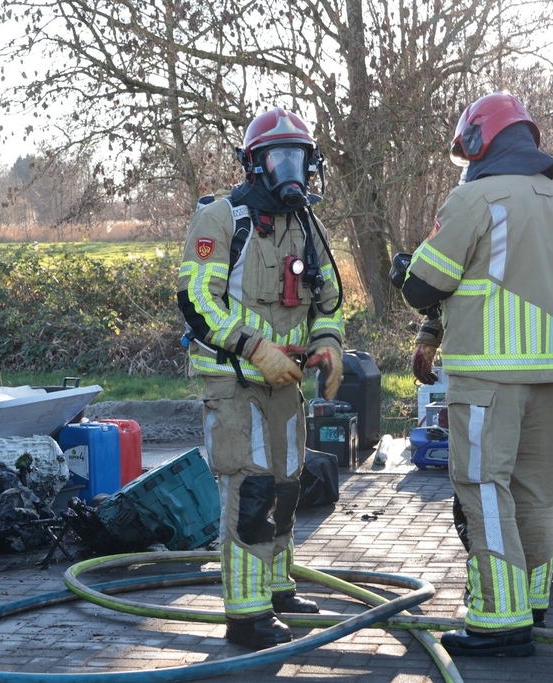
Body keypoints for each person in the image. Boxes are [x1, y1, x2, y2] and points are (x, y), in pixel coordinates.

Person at [398, 91, 553, 657]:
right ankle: (531, 601)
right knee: (536, 491)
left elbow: (422, 288)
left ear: (481, 142)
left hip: (486, 380)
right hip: (548, 382)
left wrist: (406, 274)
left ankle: (498, 620)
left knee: (484, 489)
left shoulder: (472, 201)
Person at [177, 106, 344, 650]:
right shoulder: (224, 219)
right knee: (250, 491)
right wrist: (255, 348)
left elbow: (329, 300)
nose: (289, 169)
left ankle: (276, 587)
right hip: (236, 381)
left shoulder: (306, 224)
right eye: (278, 158)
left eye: (298, 157)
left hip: (286, 382)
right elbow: (197, 301)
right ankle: (245, 617)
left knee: (288, 484)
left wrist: (328, 344)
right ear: (254, 164)